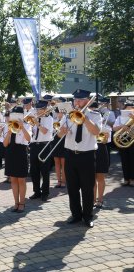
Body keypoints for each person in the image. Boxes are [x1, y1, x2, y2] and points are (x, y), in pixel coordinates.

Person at [59, 89, 102, 228]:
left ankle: (88, 216)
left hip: (87, 156)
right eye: (75, 100)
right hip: (71, 155)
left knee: (87, 188)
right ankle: (76, 215)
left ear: (87, 101)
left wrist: (85, 118)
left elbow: (96, 132)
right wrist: (62, 131)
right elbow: (60, 134)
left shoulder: (95, 115)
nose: (77, 102)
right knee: (72, 188)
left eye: (80, 100)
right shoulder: (67, 116)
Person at [3, 106, 31, 213]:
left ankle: (22, 203)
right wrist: (9, 132)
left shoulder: (27, 125)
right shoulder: (7, 126)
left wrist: (22, 127)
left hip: (21, 152)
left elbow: (29, 139)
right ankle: (16, 202)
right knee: (13, 179)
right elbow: (5, 144)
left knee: (21, 180)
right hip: (10, 153)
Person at [29, 100, 54, 202]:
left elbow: (44, 131)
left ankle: (45, 193)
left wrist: (37, 123)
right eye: (37, 109)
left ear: (45, 109)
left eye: (40, 109)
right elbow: (33, 132)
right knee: (34, 171)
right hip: (34, 145)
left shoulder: (49, 119)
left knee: (44, 171)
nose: (38, 111)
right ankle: (36, 192)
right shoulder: (35, 118)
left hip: (45, 145)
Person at [90, 102, 111, 208]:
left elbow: (104, 142)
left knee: (100, 177)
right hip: (90, 150)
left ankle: (100, 199)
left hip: (101, 151)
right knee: (91, 178)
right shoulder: (88, 126)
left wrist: (104, 135)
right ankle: (92, 199)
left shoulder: (106, 128)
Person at [113, 100, 134, 186]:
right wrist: (122, 126)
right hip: (122, 140)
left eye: (131, 108)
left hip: (132, 140)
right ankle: (126, 179)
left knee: (133, 160)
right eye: (127, 108)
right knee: (124, 160)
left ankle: (132, 179)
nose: (129, 109)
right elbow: (114, 129)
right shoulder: (119, 118)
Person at [52, 98, 67, 188]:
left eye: (60, 112)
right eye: (58, 112)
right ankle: (58, 180)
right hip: (56, 140)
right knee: (56, 161)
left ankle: (64, 181)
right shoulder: (55, 120)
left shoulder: (66, 119)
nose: (59, 114)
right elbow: (53, 130)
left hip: (64, 140)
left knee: (63, 162)